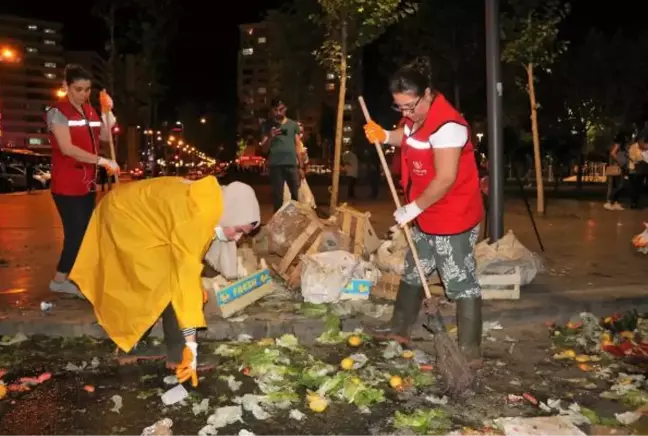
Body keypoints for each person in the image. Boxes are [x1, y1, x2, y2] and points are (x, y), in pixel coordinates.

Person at [69, 176, 260, 387]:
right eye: (239, 230)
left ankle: (159, 347)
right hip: (123, 217)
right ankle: (161, 351)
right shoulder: (196, 217)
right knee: (147, 282)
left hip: (135, 214)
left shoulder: (216, 203)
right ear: (231, 214)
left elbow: (189, 258)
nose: (237, 239)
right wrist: (192, 347)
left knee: (166, 279)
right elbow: (184, 280)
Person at [363, 57, 484, 362]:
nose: (406, 113)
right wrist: (384, 136)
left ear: (428, 93)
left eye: (410, 106)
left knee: (459, 280)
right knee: (414, 268)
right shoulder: (414, 118)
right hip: (426, 213)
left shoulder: (448, 125)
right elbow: (407, 140)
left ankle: (469, 351)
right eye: (399, 108)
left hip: (452, 214)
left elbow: (444, 179)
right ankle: (399, 328)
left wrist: (412, 208)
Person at [47, 64, 119, 296]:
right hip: (67, 184)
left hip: (87, 184)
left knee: (87, 232)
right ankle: (59, 280)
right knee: (77, 233)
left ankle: (77, 277)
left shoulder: (90, 110)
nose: (83, 94)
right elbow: (67, 148)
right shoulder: (57, 112)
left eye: (87, 90)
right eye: (78, 89)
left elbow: (105, 137)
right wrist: (102, 161)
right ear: (66, 86)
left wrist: (108, 116)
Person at [261, 98, 305, 212]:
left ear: (285, 108)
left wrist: (301, 166)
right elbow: (264, 148)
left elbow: (297, 145)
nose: (279, 112)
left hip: (291, 163)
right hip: (275, 165)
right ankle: (278, 222)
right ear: (272, 110)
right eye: (276, 110)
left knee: (295, 194)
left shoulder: (293, 125)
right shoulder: (268, 125)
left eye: (281, 109)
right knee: (277, 197)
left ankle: (295, 218)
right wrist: (270, 136)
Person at [604, 133, 628, 211]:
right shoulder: (617, 144)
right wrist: (619, 161)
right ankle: (609, 202)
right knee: (616, 185)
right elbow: (613, 153)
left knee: (618, 185)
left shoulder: (621, 146)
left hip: (618, 168)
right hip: (615, 167)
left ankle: (615, 202)